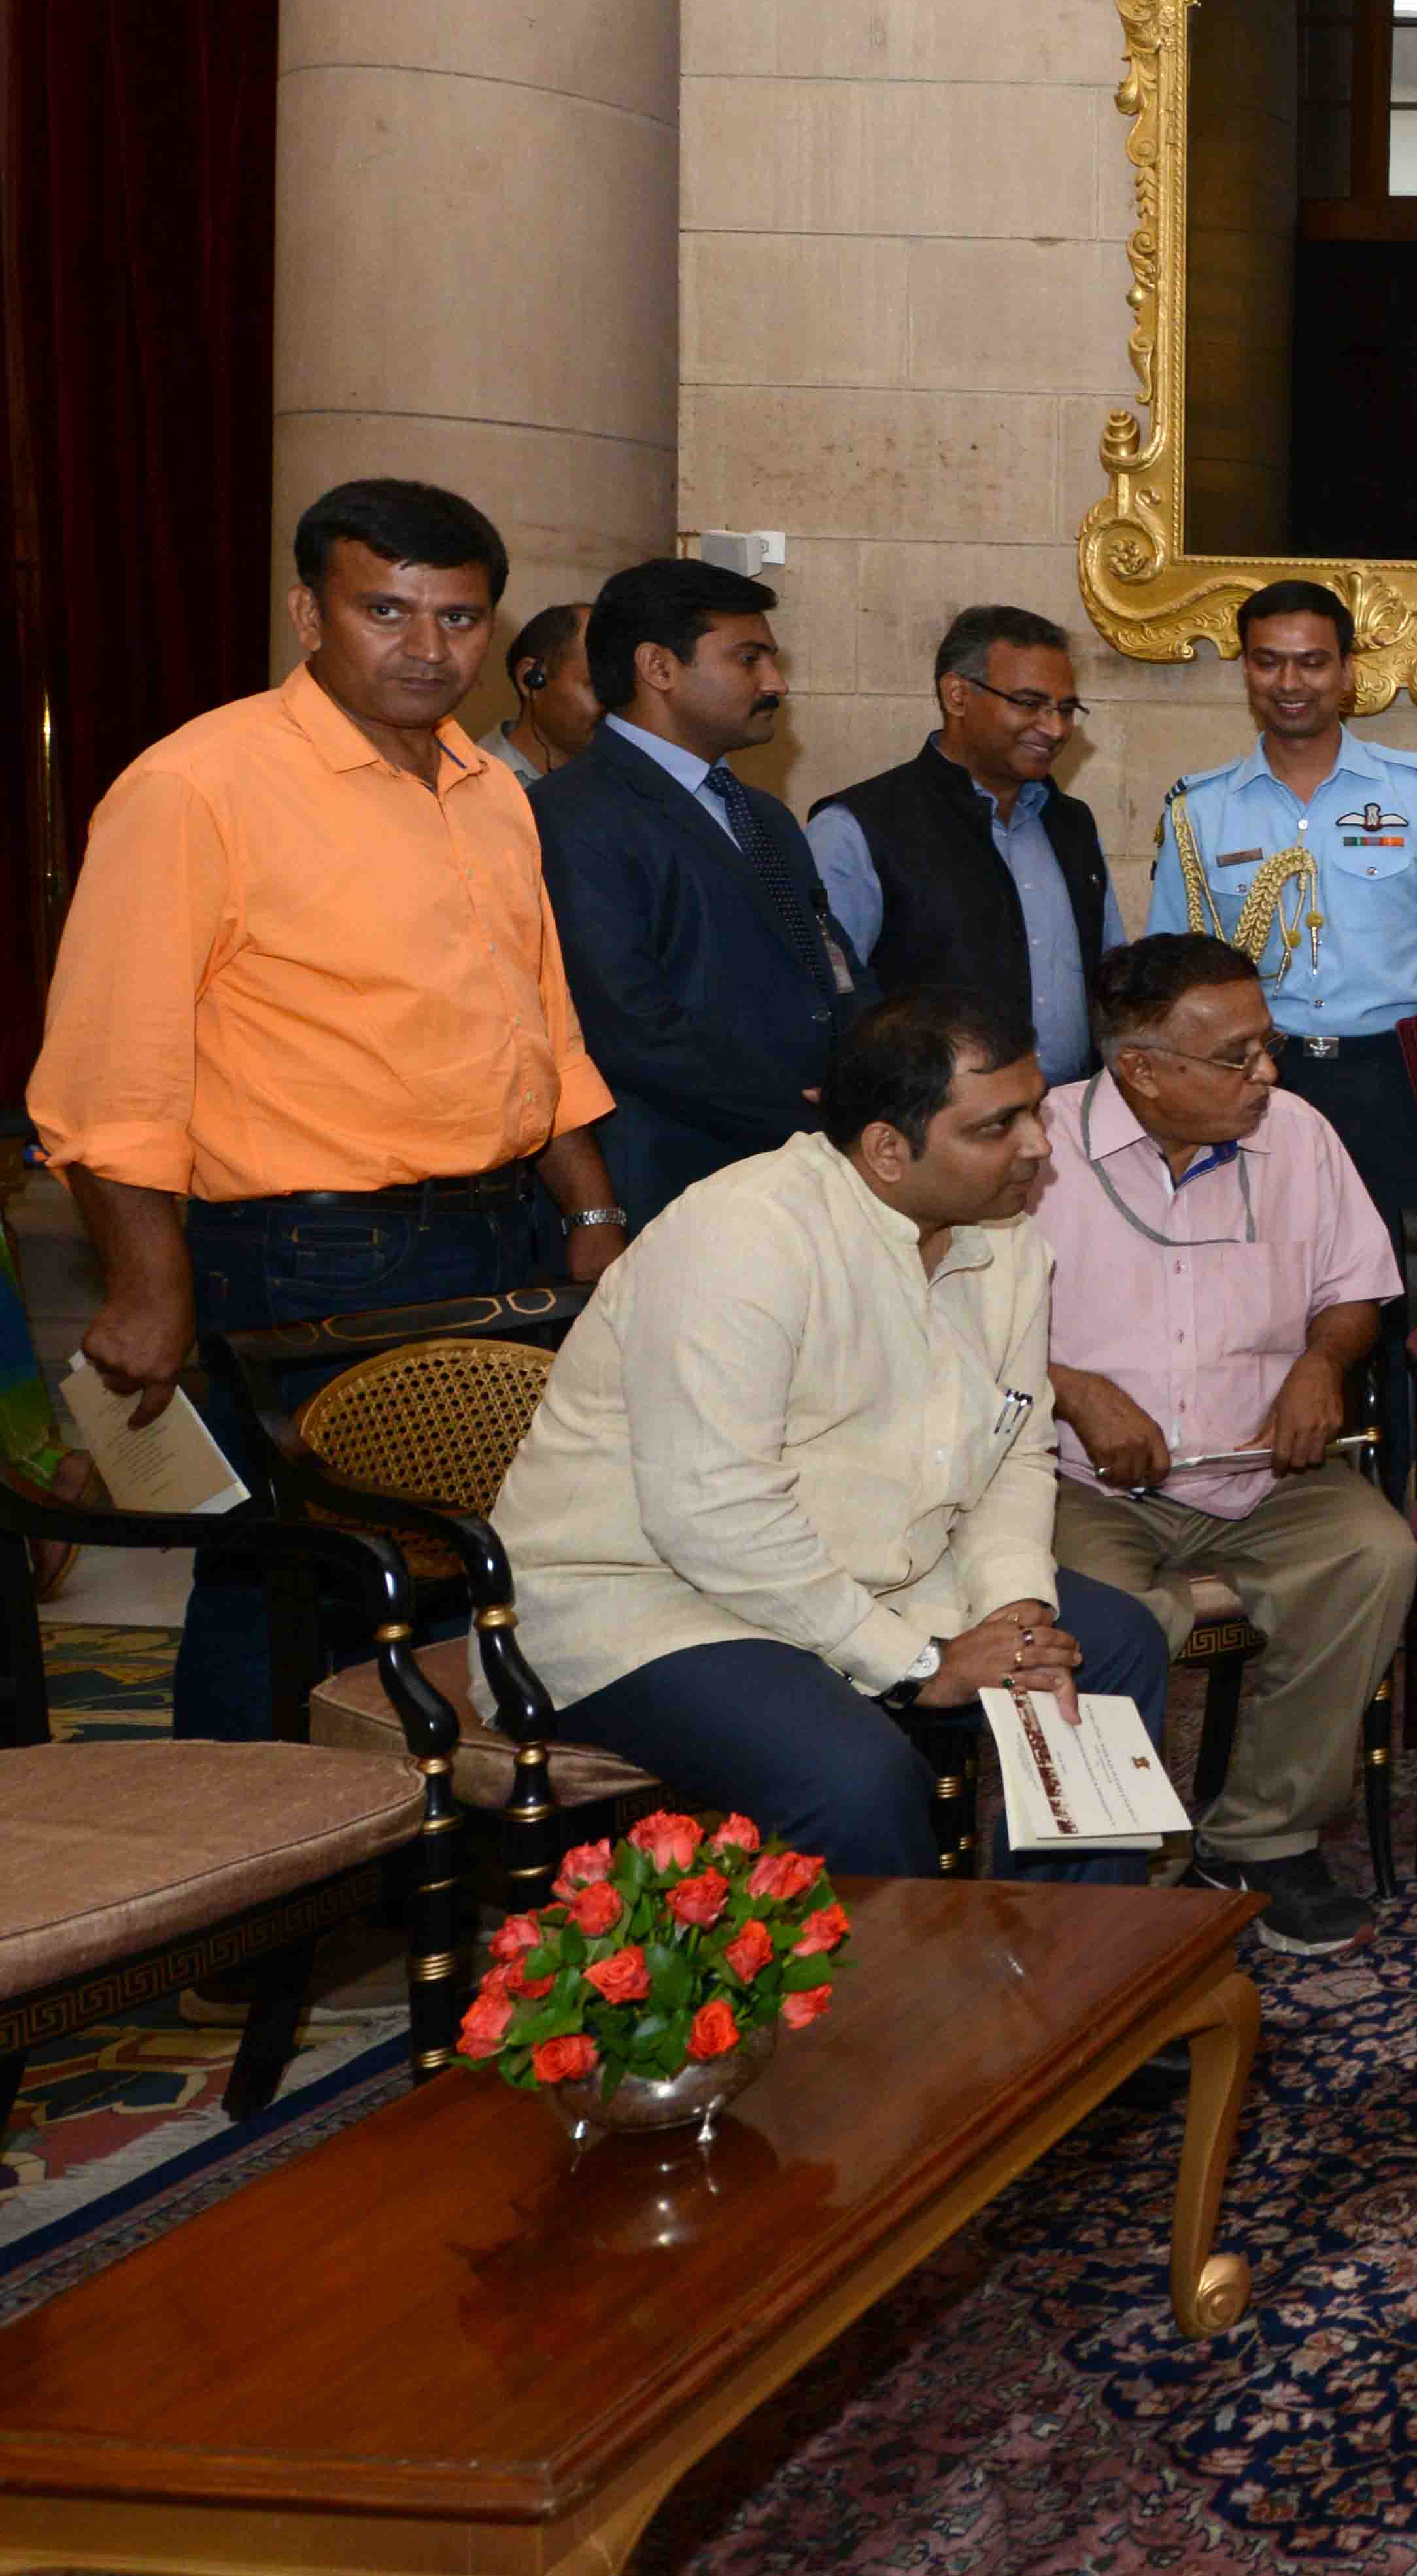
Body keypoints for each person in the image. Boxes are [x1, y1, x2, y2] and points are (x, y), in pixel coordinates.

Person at [27, 479, 628, 1737]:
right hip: (313, 1252)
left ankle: (422, 1862)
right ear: (310, 614)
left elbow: (540, 1023)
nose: (427, 649)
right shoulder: (200, 784)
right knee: (292, 1588)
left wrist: (590, 1209)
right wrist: (146, 1281)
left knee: (474, 1579)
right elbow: (108, 1068)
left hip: (501, 1235)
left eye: (458, 619)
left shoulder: (490, 789)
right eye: (388, 611)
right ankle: (247, 1881)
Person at [489, 991, 1176, 1882]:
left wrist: (1014, 1606)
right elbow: (711, 1518)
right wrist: (919, 1665)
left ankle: (1054, 1975)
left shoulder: (1005, 1242)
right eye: (998, 1126)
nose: (1040, 1145)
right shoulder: (742, 1240)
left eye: (1036, 1110)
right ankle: (892, 2018)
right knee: (854, 1778)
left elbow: (1015, 1447)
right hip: (644, 1599)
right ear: (888, 1149)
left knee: (1114, 1645)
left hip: (873, 1570)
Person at [1034, 934, 1416, 1958]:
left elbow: (1354, 1291)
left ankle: (1259, 1837)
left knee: (1375, 1554)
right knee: (1099, 1623)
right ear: (1141, 1070)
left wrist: (1322, 1365)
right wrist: (1073, 1391)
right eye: (1236, 1057)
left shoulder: (1298, 1134)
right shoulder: (1035, 1147)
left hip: (1266, 1471)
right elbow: (953, 1326)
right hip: (1084, 1483)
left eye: (1269, 1044)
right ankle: (1107, 1869)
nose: (1268, 1074)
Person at [1142, 580, 1417, 1221]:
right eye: (1268, 660)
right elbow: (1172, 989)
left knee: (1405, 1281)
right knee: (1261, 1268)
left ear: (1347, 673)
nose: (1291, 682)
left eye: (1312, 662)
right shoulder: (1196, 812)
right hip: (1258, 1075)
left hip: (1395, 1075)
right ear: (1246, 670)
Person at [536, 554, 853, 1224]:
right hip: (669, 1183)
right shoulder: (574, 813)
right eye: (749, 659)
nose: (777, 683)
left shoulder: (762, 813)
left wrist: (872, 1084)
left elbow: (832, 968)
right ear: (659, 668)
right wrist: (807, 1111)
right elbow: (629, 1025)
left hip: (798, 1174)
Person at [808, 602, 1118, 1088]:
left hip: (1072, 1118)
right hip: (933, 1128)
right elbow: (827, 993)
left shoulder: (1072, 824)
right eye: (1030, 703)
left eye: (1064, 709)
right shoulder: (856, 827)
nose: (1056, 729)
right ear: (957, 695)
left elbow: (1108, 972)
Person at [479, 600, 596, 789]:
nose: (618, 702)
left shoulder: (624, 776)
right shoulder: (474, 783)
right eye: (598, 686)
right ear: (531, 679)